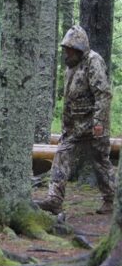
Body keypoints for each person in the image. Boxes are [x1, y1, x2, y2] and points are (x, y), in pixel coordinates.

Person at [36, 25, 115, 216]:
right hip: (74, 127)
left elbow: (103, 94)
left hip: (93, 124)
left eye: (70, 48)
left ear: (79, 48)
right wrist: (67, 126)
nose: (67, 52)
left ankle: (112, 200)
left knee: (101, 162)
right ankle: (54, 199)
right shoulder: (71, 65)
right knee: (61, 156)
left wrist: (99, 122)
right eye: (66, 48)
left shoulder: (93, 61)